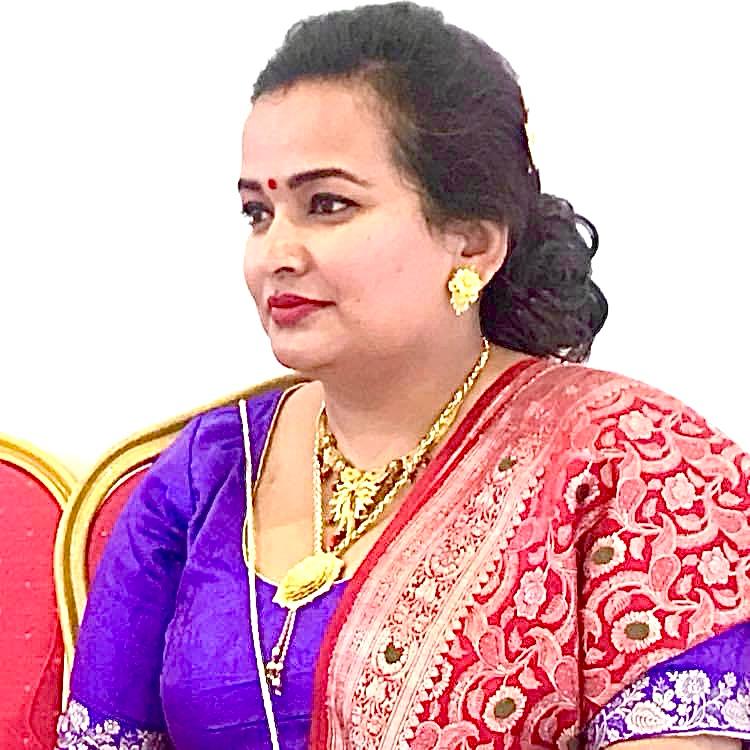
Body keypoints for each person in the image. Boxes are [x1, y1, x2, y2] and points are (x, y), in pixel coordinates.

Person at [55, 3, 749, 749]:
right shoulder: (209, 472)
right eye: (258, 213)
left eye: (328, 205)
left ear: (472, 245)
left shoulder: (635, 459)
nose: (276, 254)